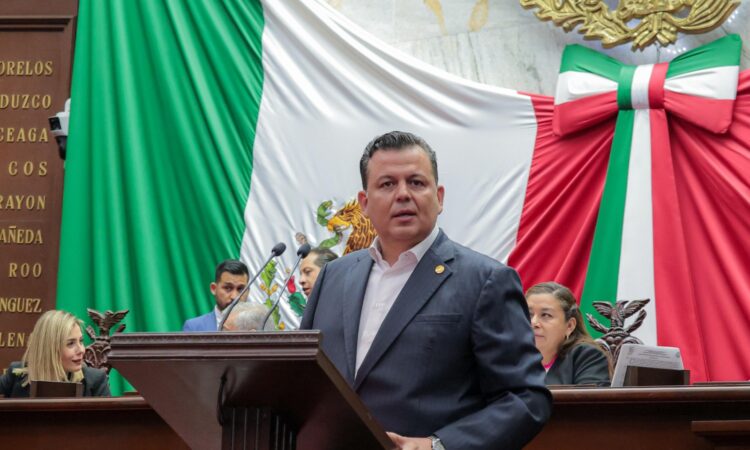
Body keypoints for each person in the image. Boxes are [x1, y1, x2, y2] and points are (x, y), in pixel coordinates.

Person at [301, 131, 551, 450]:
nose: (403, 194)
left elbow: (526, 399)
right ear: (364, 203)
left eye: (416, 183)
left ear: (439, 197)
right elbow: (303, 377)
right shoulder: (334, 276)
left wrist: (437, 445)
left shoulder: (485, 280)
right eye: (387, 184)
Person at [0, 310, 110, 398]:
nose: (81, 350)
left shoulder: (95, 380)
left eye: (81, 341)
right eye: (70, 343)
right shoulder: (16, 375)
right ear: (50, 348)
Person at [526, 281, 611, 386]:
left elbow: (589, 396)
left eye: (546, 315)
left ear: (570, 326)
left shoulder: (586, 356)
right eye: (528, 314)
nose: (533, 323)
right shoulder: (511, 356)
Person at [183, 259, 249, 332]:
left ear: (248, 291)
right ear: (214, 289)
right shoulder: (194, 328)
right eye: (228, 288)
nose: (234, 296)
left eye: (240, 289)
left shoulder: (257, 327)